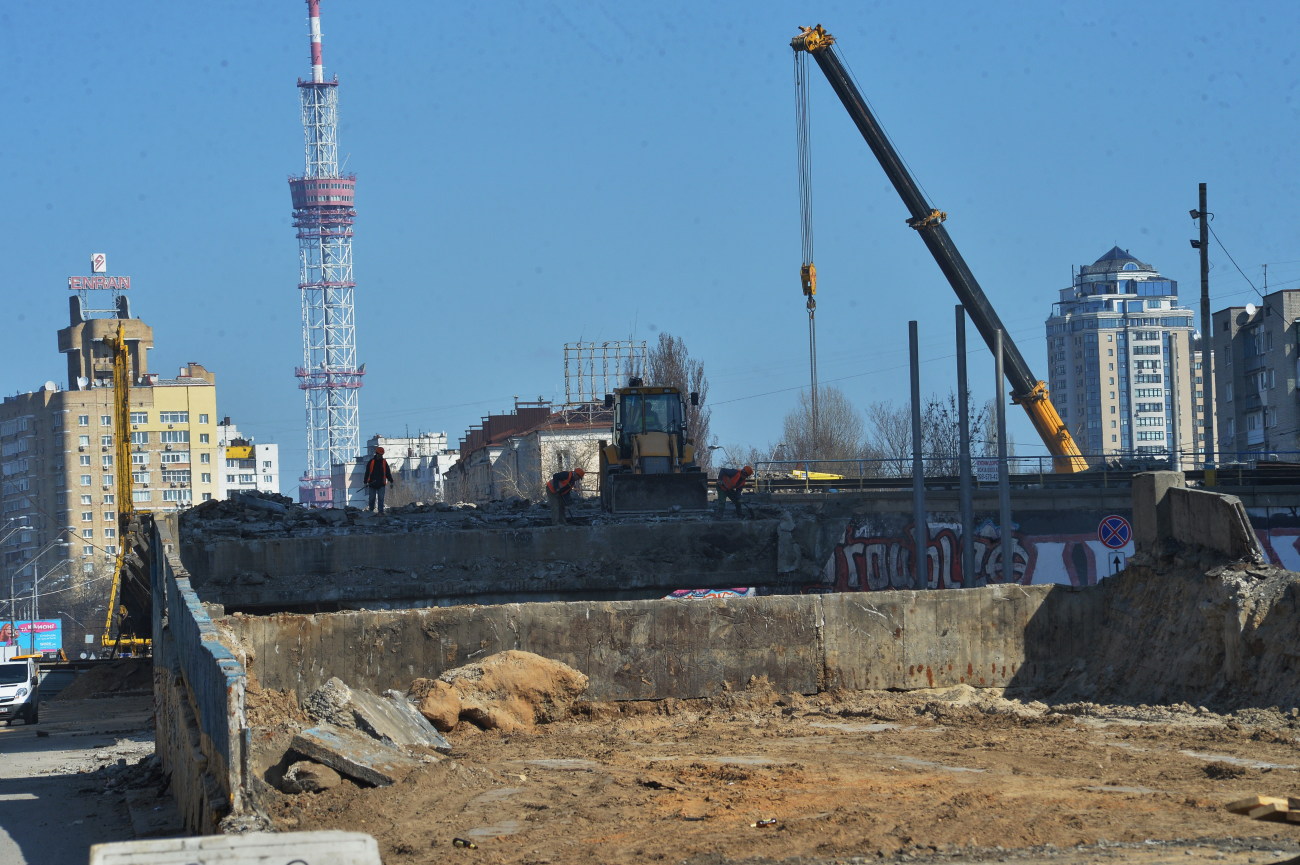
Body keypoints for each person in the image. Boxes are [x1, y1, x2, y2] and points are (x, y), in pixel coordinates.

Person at [363, 446, 395, 514]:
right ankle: (371, 511)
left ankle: (381, 512)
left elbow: (387, 472)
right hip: (372, 484)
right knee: (372, 499)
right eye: (380, 454)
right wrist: (365, 482)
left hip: (381, 484)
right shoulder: (371, 462)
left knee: (381, 499)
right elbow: (367, 472)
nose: (380, 456)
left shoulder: (384, 462)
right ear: (376, 453)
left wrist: (391, 481)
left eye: (381, 455)